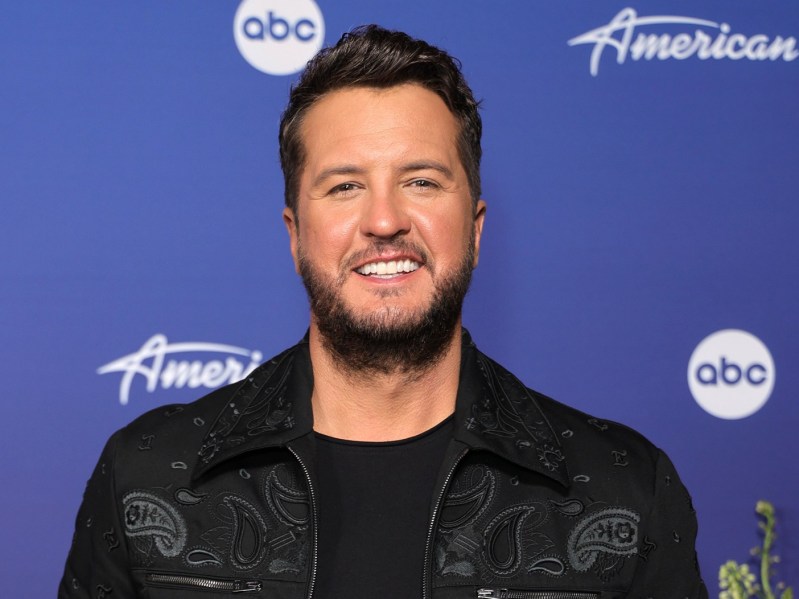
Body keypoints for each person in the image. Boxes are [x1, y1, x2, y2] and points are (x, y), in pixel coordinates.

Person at [60, 25, 707, 598]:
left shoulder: (619, 490)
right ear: (294, 233)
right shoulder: (147, 477)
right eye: (345, 186)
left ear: (475, 228)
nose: (383, 220)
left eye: (420, 180)